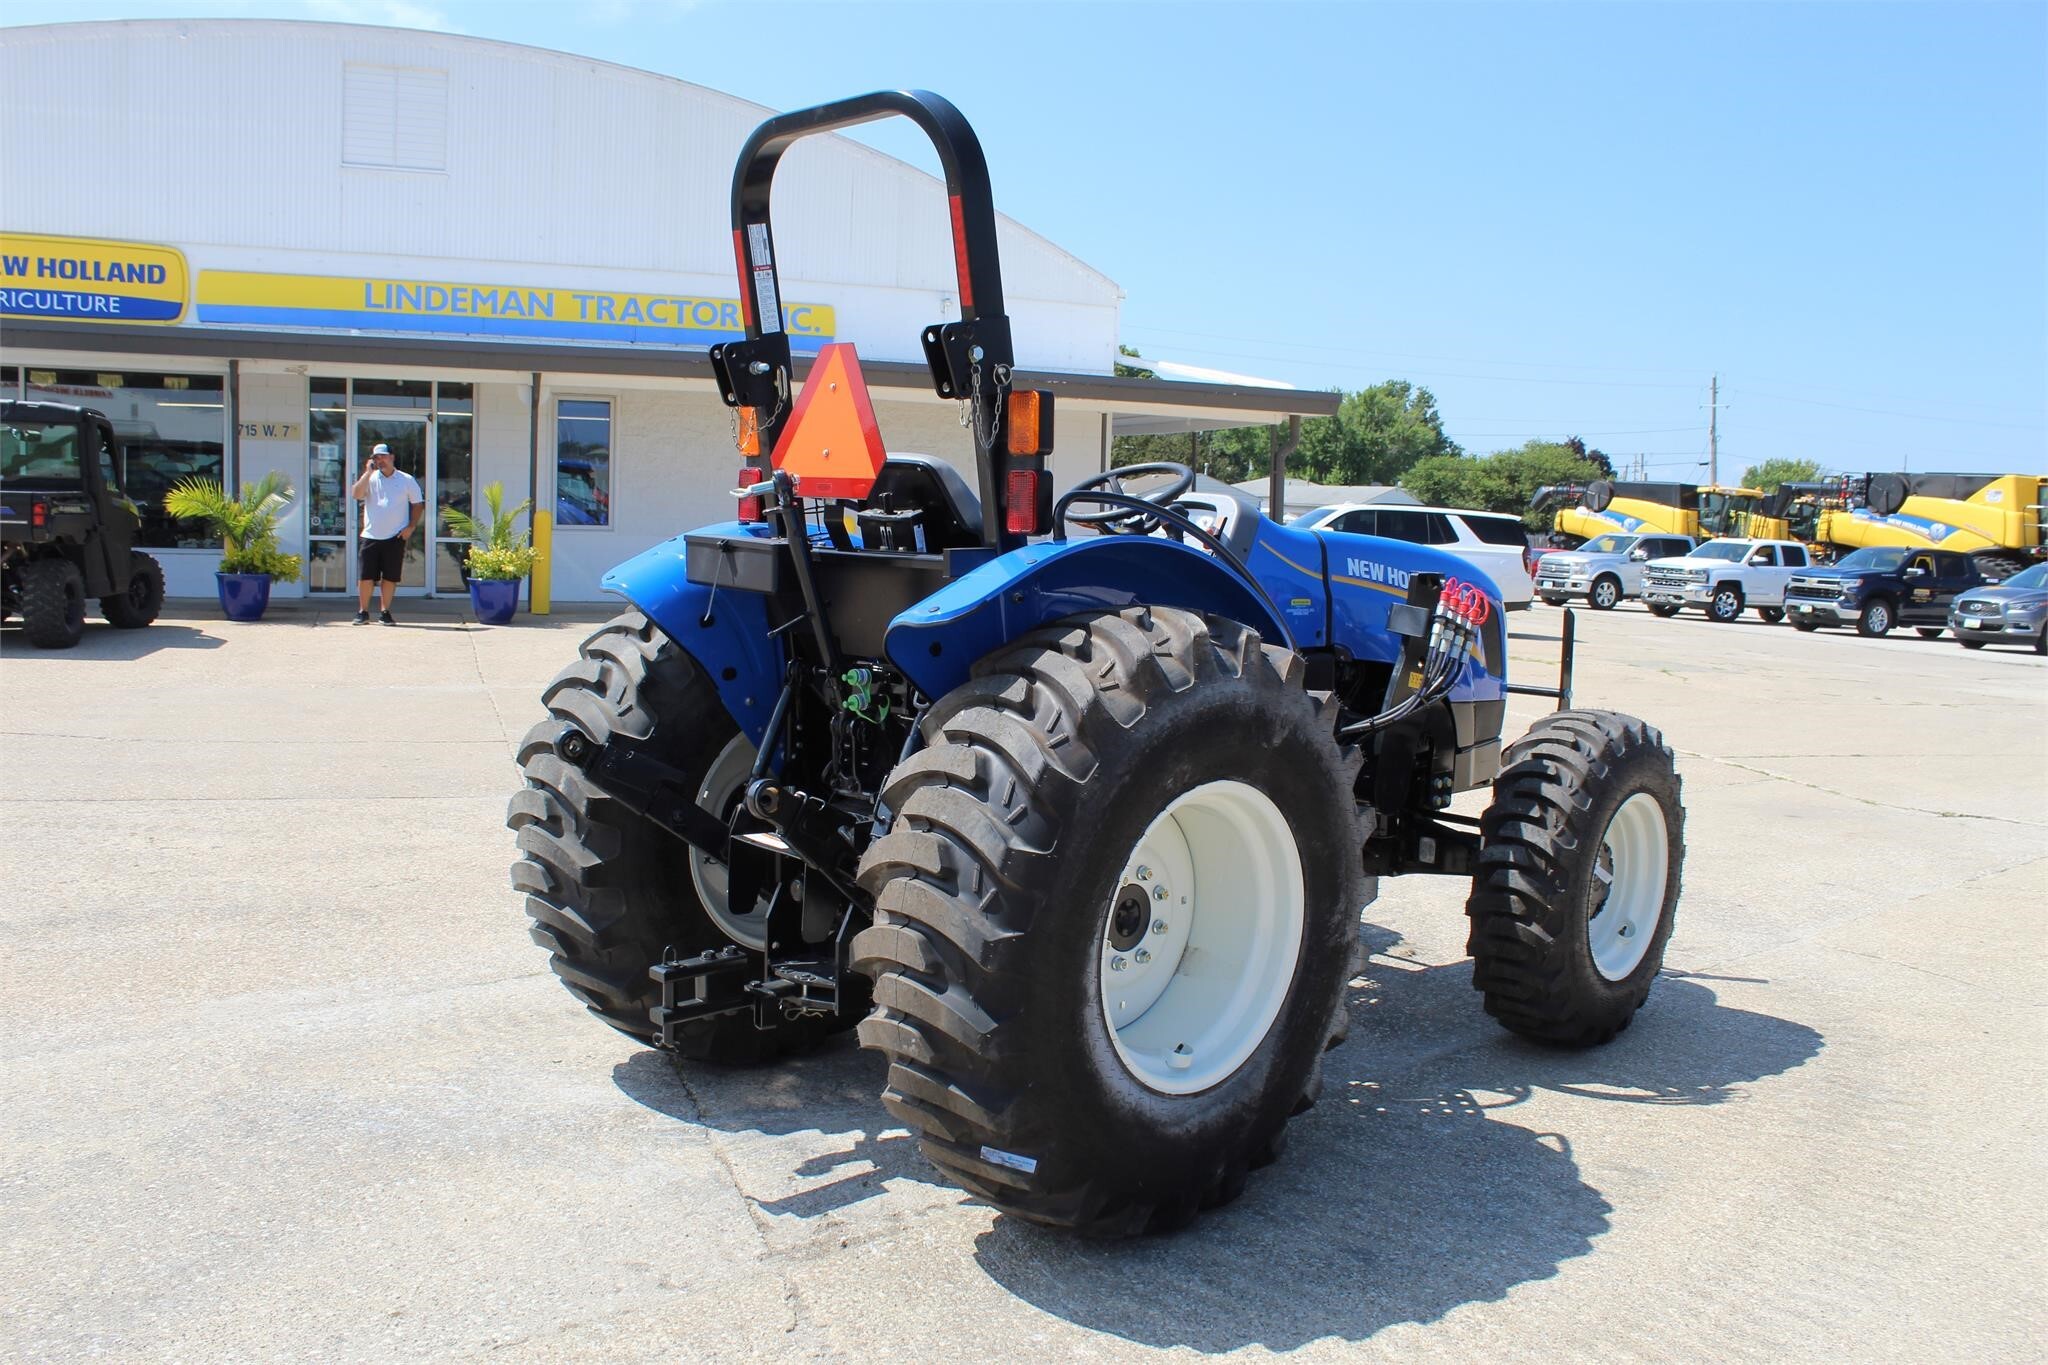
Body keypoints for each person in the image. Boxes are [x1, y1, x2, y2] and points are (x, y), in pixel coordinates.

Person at [350, 443, 423, 624]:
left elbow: (417, 504)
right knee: (365, 577)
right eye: (376, 457)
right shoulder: (370, 478)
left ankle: (385, 612)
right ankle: (363, 612)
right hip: (370, 535)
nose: (379, 460)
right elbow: (356, 494)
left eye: (383, 456)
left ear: (392, 457)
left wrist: (411, 527)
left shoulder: (406, 479)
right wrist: (367, 473)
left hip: (395, 537)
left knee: (390, 578)